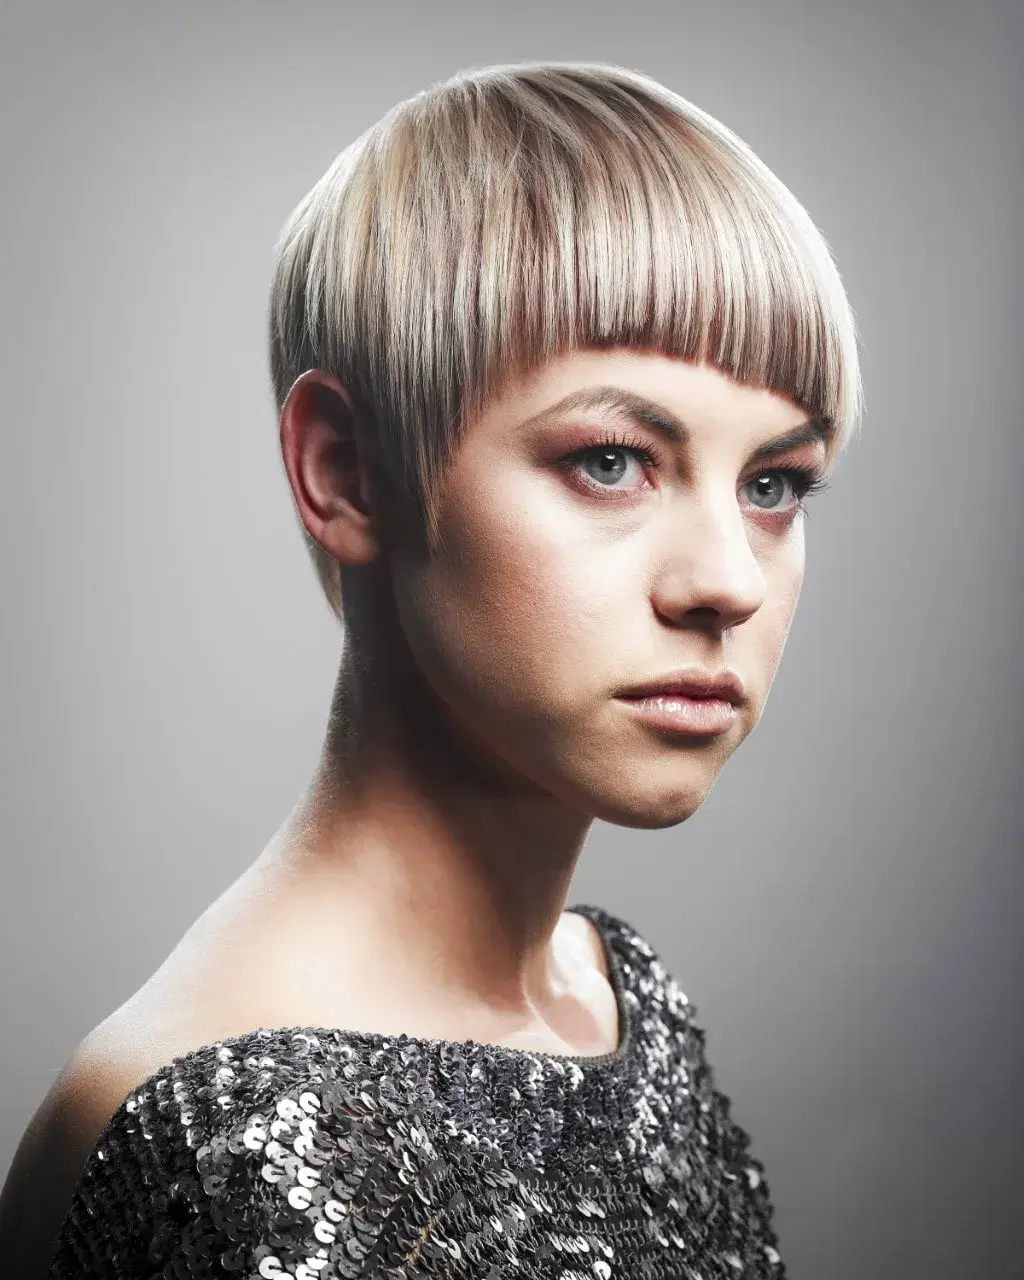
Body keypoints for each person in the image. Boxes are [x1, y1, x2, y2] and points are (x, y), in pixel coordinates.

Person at [0, 60, 861, 1278]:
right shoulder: (198, 1136)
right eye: (612, 459)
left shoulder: (632, 1007)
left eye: (775, 482)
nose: (728, 578)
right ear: (345, 470)